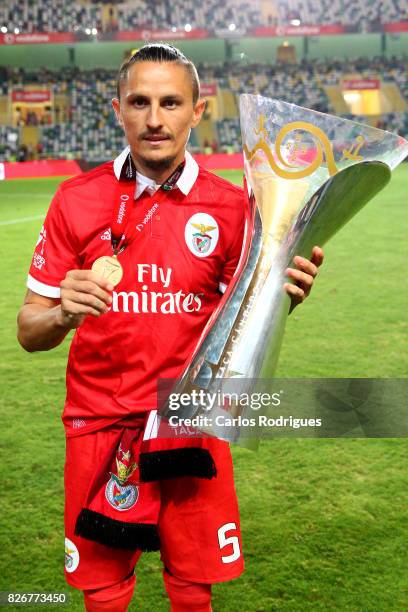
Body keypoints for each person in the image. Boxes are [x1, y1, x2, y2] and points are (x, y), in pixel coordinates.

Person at [17, 44, 324, 612]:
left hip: (189, 417)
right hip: (99, 419)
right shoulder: (75, 200)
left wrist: (282, 299)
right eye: (139, 101)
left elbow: (244, 324)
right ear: (117, 109)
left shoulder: (235, 209)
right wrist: (63, 311)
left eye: (169, 102)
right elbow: (29, 329)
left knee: (191, 586)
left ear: (196, 111)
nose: (154, 119)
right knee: (103, 590)